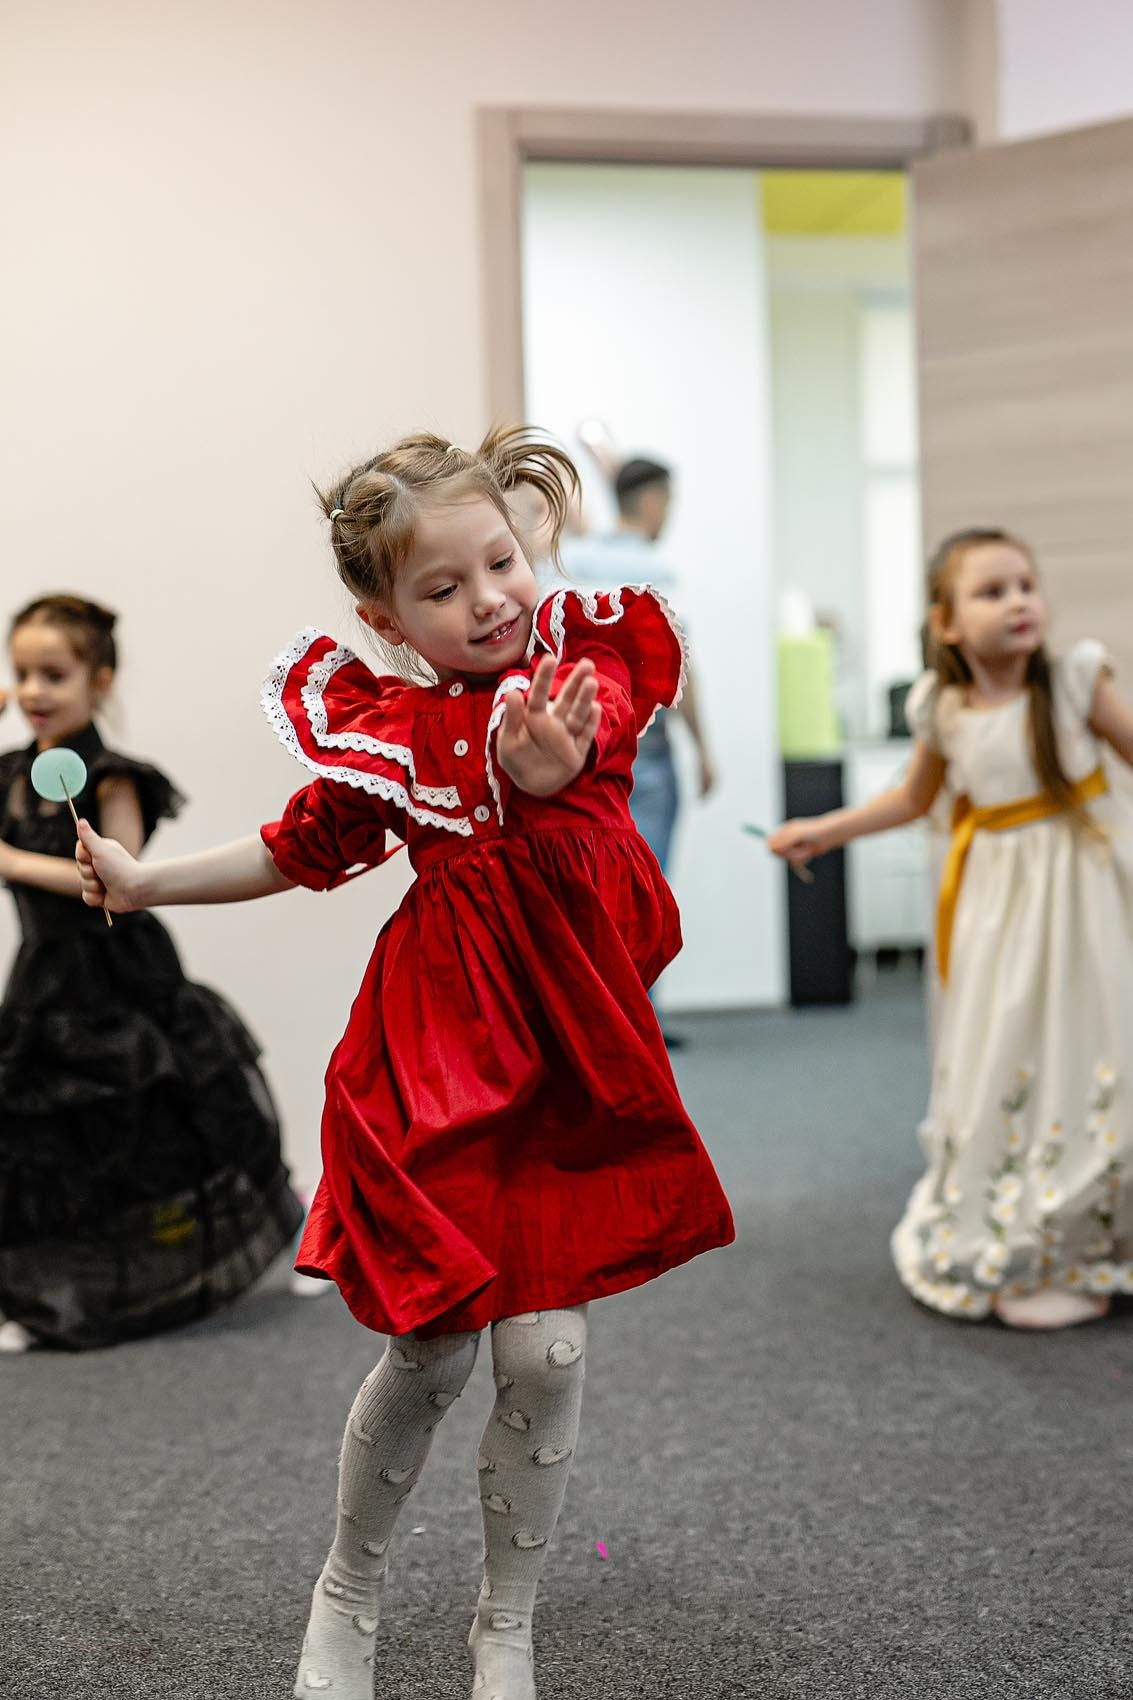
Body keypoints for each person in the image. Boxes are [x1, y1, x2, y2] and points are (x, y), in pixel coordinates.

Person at [75, 427, 735, 1700]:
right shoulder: (396, 733)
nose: (488, 598)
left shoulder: (584, 673)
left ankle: (507, 1624)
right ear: (384, 618)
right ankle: (348, 1588)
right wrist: (153, 879)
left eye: (500, 561)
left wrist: (546, 773)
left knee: (546, 1354)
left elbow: (587, 785)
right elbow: (298, 844)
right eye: (442, 587)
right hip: (433, 1056)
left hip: (566, 1062)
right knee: (432, 1351)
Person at [770, 528, 1133, 1330]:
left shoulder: (1075, 679)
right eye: (991, 591)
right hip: (996, 908)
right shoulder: (942, 707)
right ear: (945, 624)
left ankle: (1090, 1239)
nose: (1017, 602)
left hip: (1080, 901)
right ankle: (1024, 1230)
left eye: (1025, 586)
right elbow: (909, 798)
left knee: (1090, 1048)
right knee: (1005, 1050)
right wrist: (823, 830)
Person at [0, 595, 303, 1352]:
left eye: (55, 674)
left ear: (100, 680)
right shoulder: (10, 771)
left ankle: (275, 1230)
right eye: (21, 674)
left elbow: (119, 877)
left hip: (116, 966)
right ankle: (62, 1292)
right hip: (44, 974)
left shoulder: (113, 777)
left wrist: (8, 861)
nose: (36, 690)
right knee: (58, 1134)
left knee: (170, 1114)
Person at [561, 456, 714, 875]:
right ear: (651, 502)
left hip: (581, 752)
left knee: (594, 887)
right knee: (646, 890)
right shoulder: (656, 572)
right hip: (646, 753)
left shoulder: (573, 562)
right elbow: (680, 670)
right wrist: (703, 751)